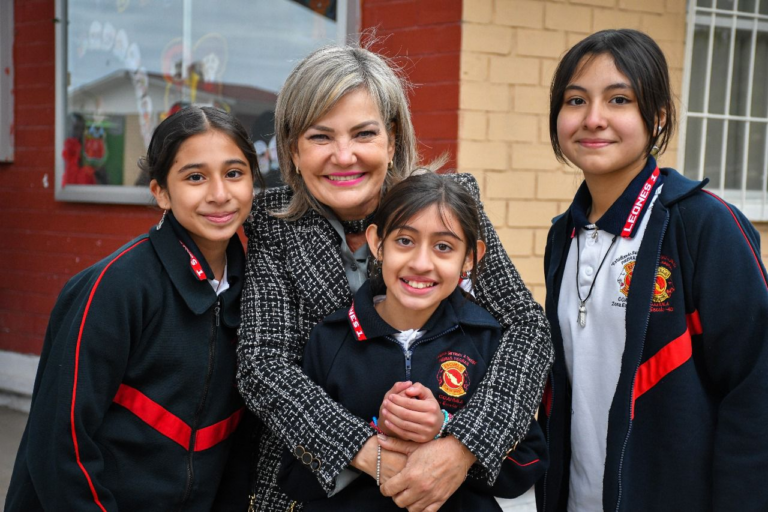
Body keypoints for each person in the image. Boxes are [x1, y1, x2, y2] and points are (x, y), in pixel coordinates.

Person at [237, 43, 554, 512]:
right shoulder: (273, 222)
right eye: (320, 137)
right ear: (293, 150)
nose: (344, 156)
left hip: (447, 493)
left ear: (392, 140)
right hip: (313, 489)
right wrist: (367, 452)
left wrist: (460, 446)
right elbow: (263, 364)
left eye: (363, 133)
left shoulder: (446, 204)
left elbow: (527, 328)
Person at [537, 29, 768, 512]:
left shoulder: (702, 224)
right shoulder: (564, 235)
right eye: (576, 100)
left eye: (619, 99)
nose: (593, 118)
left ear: (658, 116)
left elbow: (755, 386)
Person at [5, 106, 261, 511]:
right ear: (160, 192)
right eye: (195, 177)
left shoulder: (257, 290)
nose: (219, 194)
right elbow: (58, 444)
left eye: (234, 173)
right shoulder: (115, 287)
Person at [276, 172, 548, 511]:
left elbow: (528, 464)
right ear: (377, 243)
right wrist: (373, 435)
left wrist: (448, 431)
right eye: (405, 241)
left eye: (443, 247)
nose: (421, 263)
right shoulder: (330, 339)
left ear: (470, 257)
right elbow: (294, 477)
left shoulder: (486, 338)